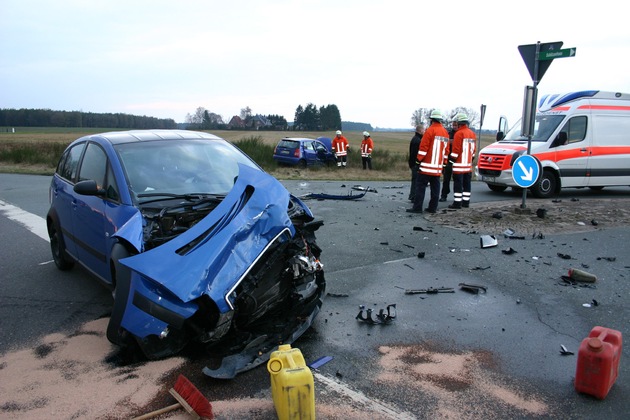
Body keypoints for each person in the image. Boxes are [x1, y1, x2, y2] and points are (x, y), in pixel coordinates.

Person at [407, 109, 449, 214]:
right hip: (437, 168)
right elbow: (446, 151)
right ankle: (432, 208)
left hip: (426, 167)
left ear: (432, 120)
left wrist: (417, 161)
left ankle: (417, 208)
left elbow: (423, 148)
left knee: (420, 187)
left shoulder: (429, 131)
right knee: (435, 189)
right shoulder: (445, 133)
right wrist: (444, 163)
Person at [448, 113, 477, 209]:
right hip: (468, 166)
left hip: (458, 166)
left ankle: (457, 203)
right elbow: (474, 151)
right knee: (467, 185)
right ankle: (466, 202)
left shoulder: (459, 134)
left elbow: (456, 150)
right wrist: (470, 160)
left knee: (458, 186)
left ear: (459, 123)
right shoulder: (472, 134)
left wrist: (450, 161)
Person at [439, 119, 458, 202]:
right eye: (453, 125)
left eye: (456, 125)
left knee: (457, 180)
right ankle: (444, 195)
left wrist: (454, 142)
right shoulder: (449, 133)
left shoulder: (460, 134)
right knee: (446, 179)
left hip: (457, 160)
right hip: (448, 159)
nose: (454, 127)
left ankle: (457, 197)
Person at [408, 124, 425, 201]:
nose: (424, 132)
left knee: (415, 180)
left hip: (413, 163)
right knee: (416, 181)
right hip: (415, 164)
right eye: (424, 130)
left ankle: (412, 195)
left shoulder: (415, 139)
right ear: (420, 131)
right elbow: (415, 154)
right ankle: (413, 196)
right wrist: (417, 163)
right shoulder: (417, 140)